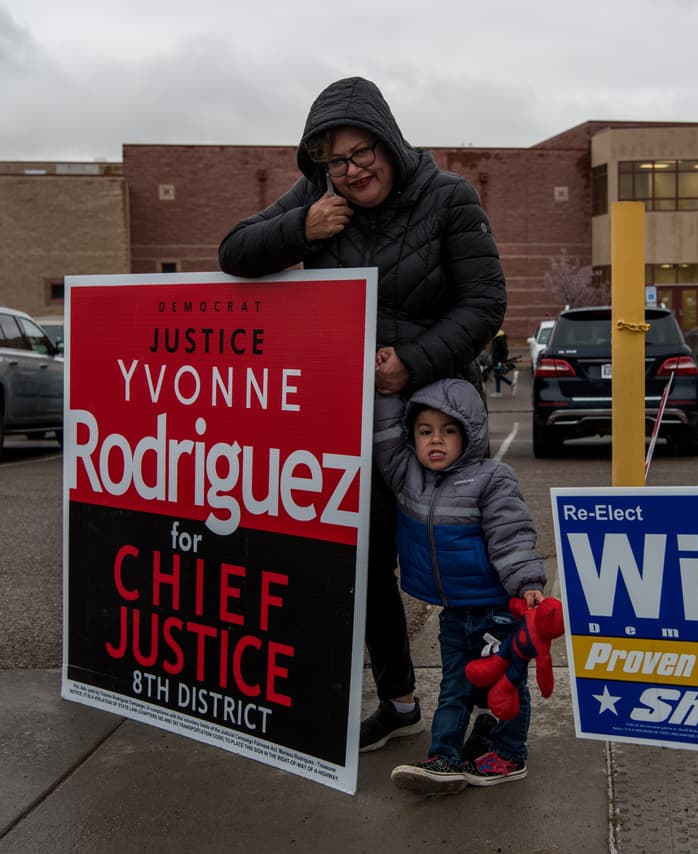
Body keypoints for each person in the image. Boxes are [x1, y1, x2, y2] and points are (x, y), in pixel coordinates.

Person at [218, 77, 507, 752]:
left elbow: (485, 303)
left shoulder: (449, 198)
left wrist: (412, 362)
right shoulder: (318, 198)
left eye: (361, 153)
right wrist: (301, 228)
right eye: (335, 161)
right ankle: (400, 701)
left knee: (463, 560)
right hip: (352, 418)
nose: (351, 171)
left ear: (388, 140)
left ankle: (490, 705)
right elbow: (233, 252)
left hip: (436, 415)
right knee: (367, 561)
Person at [373, 378, 546, 795]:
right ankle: (444, 759)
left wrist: (527, 581)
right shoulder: (407, 476)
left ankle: (509, 755)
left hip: (496, 610)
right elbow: (385, 437)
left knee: (506, 685)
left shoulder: (492, 478)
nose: (436, 440)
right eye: (425, 431)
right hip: (454, 612)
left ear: (469, 434)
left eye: (448, 430)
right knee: (454, 687)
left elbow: (511, 534)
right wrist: (382, 389)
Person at [489, 328, 511, 397]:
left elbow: (504, 351)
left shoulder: (500, 339)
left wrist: (503, 361)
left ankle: (510, 383)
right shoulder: (497, 339)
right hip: (496, 361)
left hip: (498, 361)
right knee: (497, 375)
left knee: (497, 375)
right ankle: (498, 391)